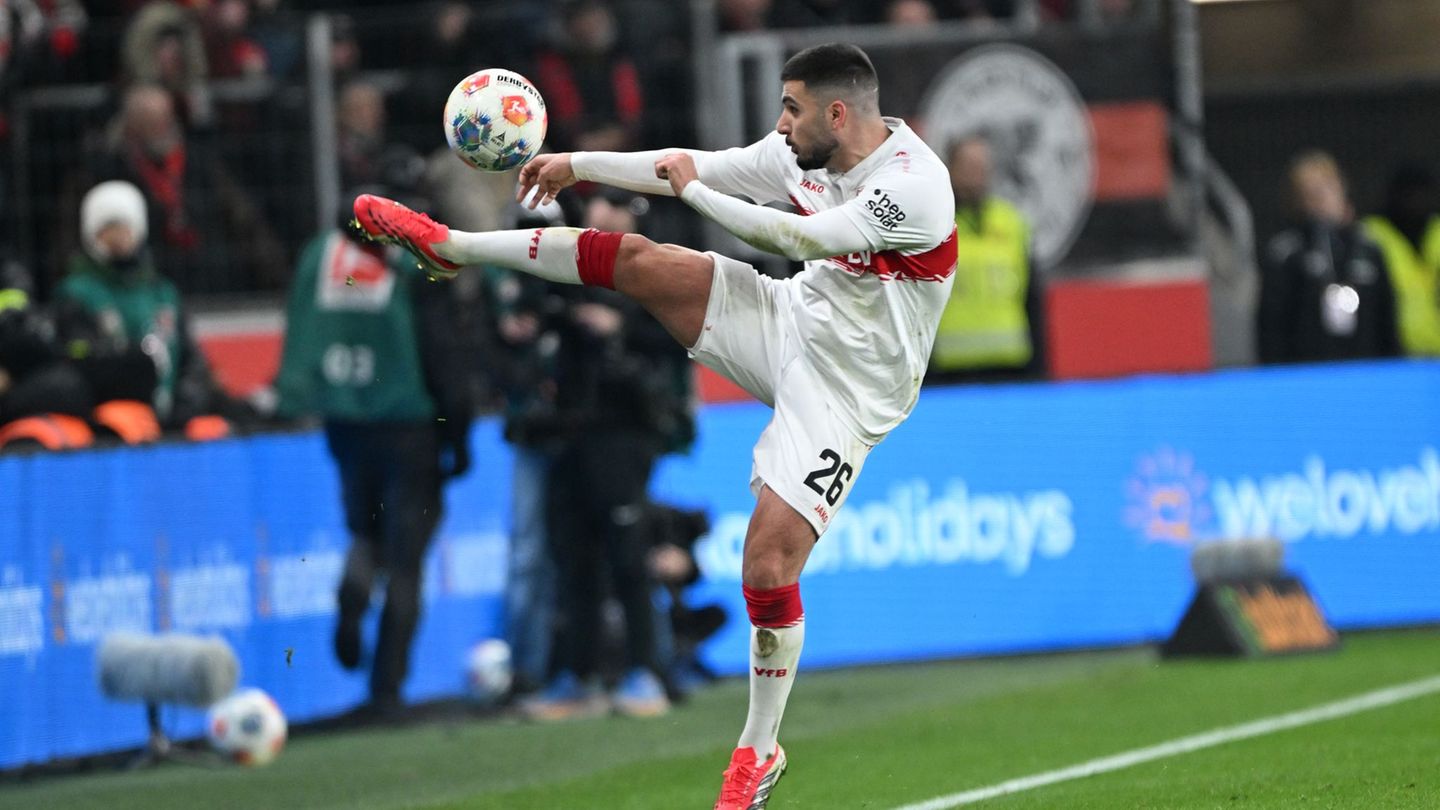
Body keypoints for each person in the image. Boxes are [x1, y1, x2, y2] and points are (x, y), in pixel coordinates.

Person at [353, 42, 956, 808]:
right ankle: (453, 248)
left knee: (767, 566)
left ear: (838, 114)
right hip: (790, 320)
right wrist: (577, 164)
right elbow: (688, 161)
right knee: (637, 258)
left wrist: (696, 197)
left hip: (851, 392)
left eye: (792, 108)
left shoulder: (916, 186)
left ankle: (758, 752)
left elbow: (800, 239)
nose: (780, 123)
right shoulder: (800, 150)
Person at [274, 184, 475, 719]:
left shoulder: (321, 254)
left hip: (344, 420)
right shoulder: (416, 265)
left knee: (365, 531)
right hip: (409, 425)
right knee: (407, 562)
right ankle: (386, 689)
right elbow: (444, 357)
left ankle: (353, 588)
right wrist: (458, 435)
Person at [1258, 151, 1399, 365]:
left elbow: (1387, 319)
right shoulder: (1286, 254)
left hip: (1366, 369)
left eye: (1326, 188)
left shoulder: (1368, 248)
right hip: (1306, 373)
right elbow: (1272, 328)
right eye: (1309, 192)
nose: (1320, 199)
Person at [930, 135, 1044, 381]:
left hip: (1010, 365)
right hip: (950, 370)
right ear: (950, 168)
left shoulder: (1011, 221)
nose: (977, 174)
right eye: (969, 166)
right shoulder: (933, 224)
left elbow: (1032, 298)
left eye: (982, 167)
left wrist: (1041, 368)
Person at [1362, 164, 1440, 357]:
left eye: (1422, 193)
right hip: (1394, 352)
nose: (1416, 200)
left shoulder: (1437, 232)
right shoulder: (1372, 234)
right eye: (1409, 193)